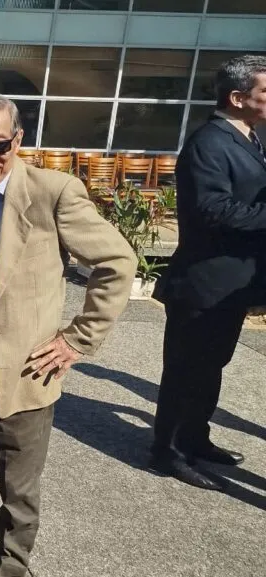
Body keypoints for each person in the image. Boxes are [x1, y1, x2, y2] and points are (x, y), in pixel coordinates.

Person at [0, 93, 136, 577]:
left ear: (18, 140)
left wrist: (78, 338)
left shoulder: (52, 192)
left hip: (22, 372)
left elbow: (117, 261)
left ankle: (10, 569)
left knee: (17, 493)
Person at [150, 54, 266, 491]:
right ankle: (167, 451)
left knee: (211, 366)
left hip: (232, 283)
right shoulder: (210, 143)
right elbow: (213, 210)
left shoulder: (248, 137)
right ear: (237, 97)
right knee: (185, 371)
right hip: (203, 281)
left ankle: (194, 438)